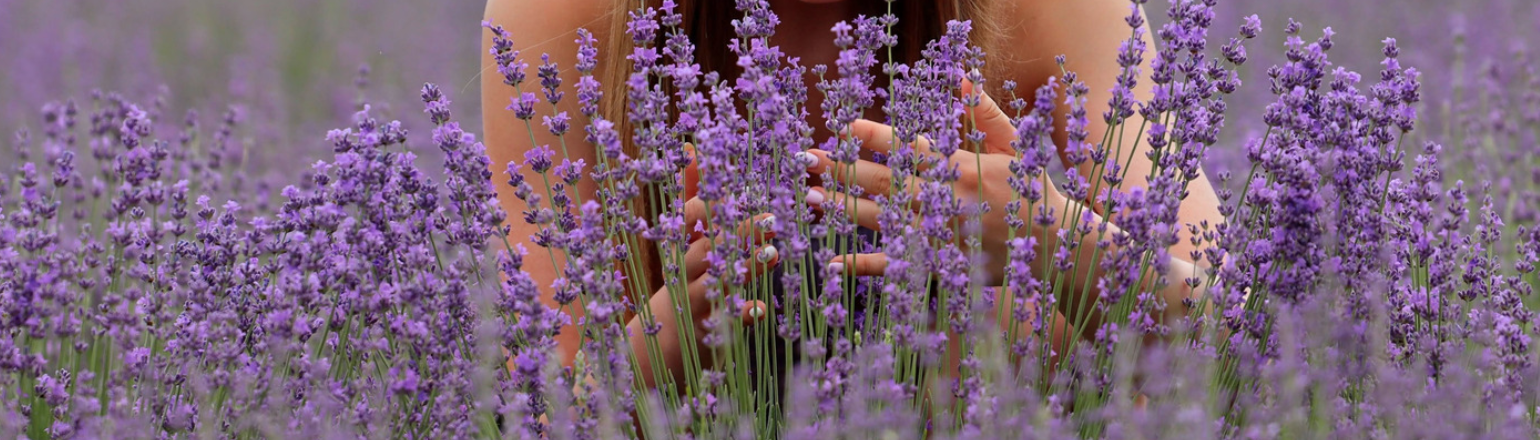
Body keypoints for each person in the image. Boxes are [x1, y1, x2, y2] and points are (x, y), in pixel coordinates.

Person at [480, 0, 1225, 392]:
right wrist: (654, 349)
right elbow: (538, 407)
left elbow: (1242, 339)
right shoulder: (573, 16)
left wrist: (1058, 239)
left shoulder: (1047, 8)